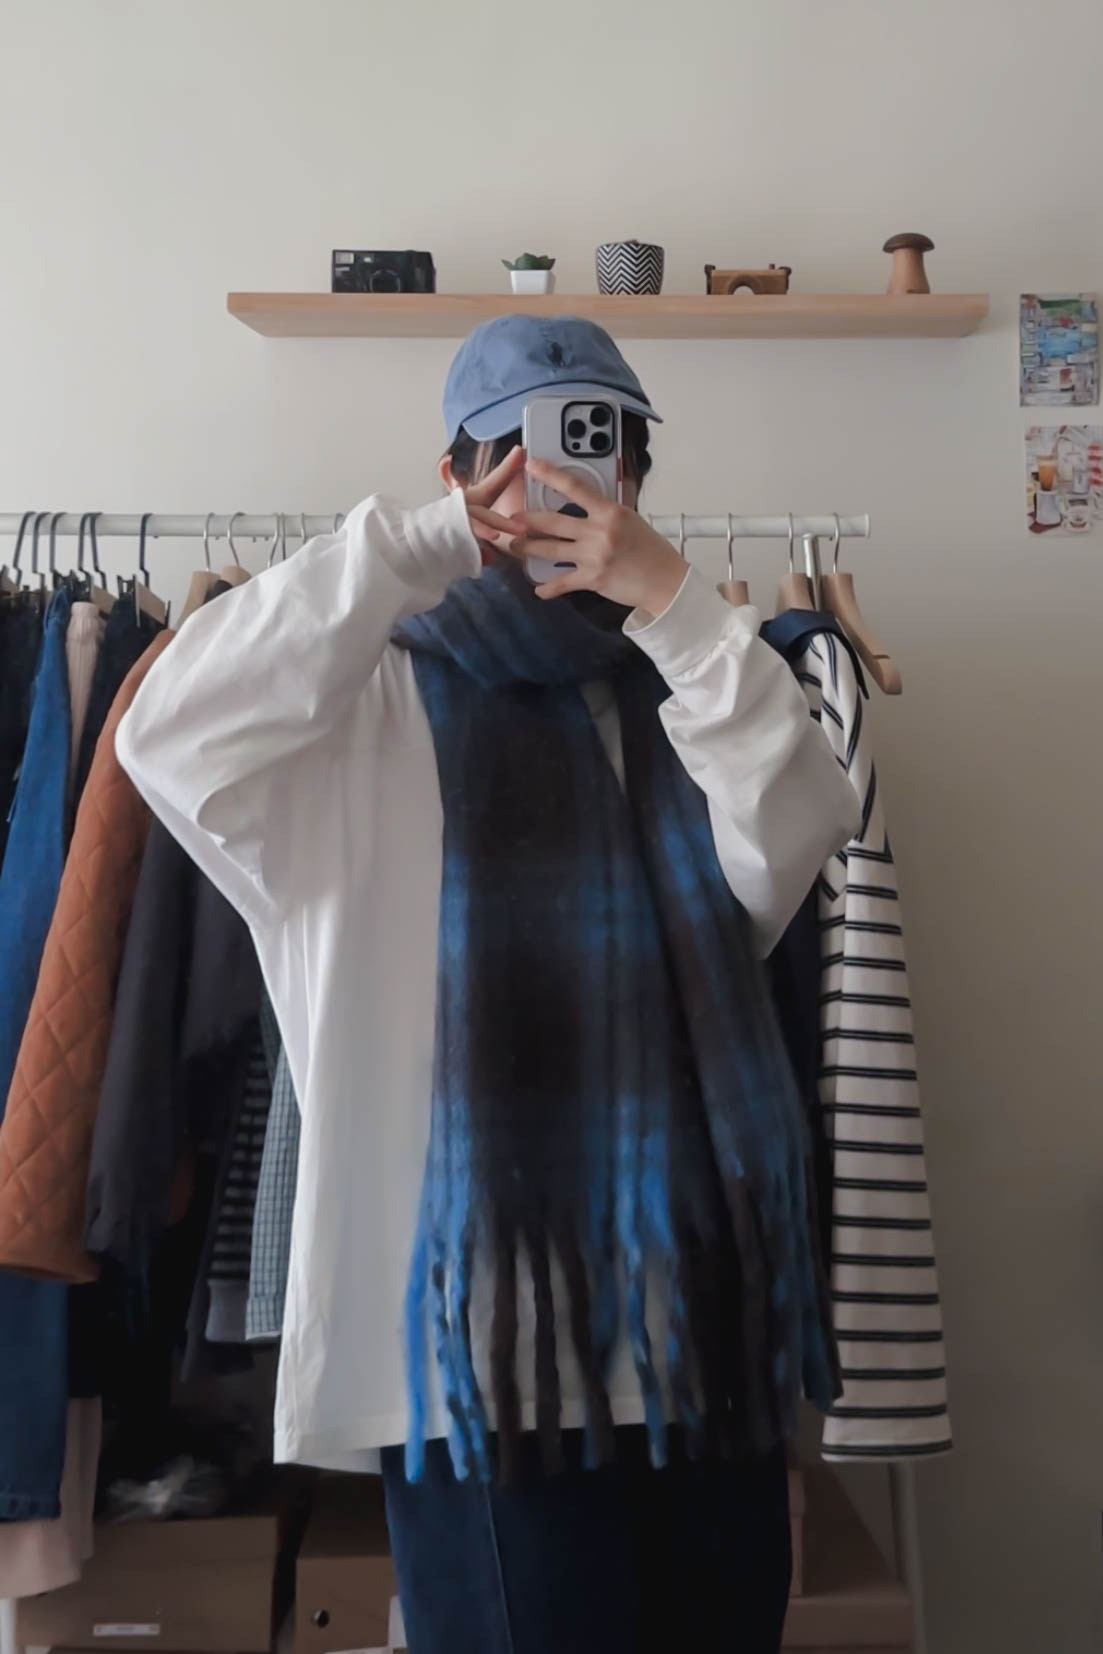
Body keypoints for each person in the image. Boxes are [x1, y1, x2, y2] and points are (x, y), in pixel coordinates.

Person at [116, 316, 860, 1654]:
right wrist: (418, 545)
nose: (550, 477)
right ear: (456, 472)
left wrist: (676, 603)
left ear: (635, 474)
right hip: (470, 1365)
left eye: (592, 446)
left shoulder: (692, 683)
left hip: (696, 1340)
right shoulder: (356, 712)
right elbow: (166, 732)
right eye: (509, 450)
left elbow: (801, 825)